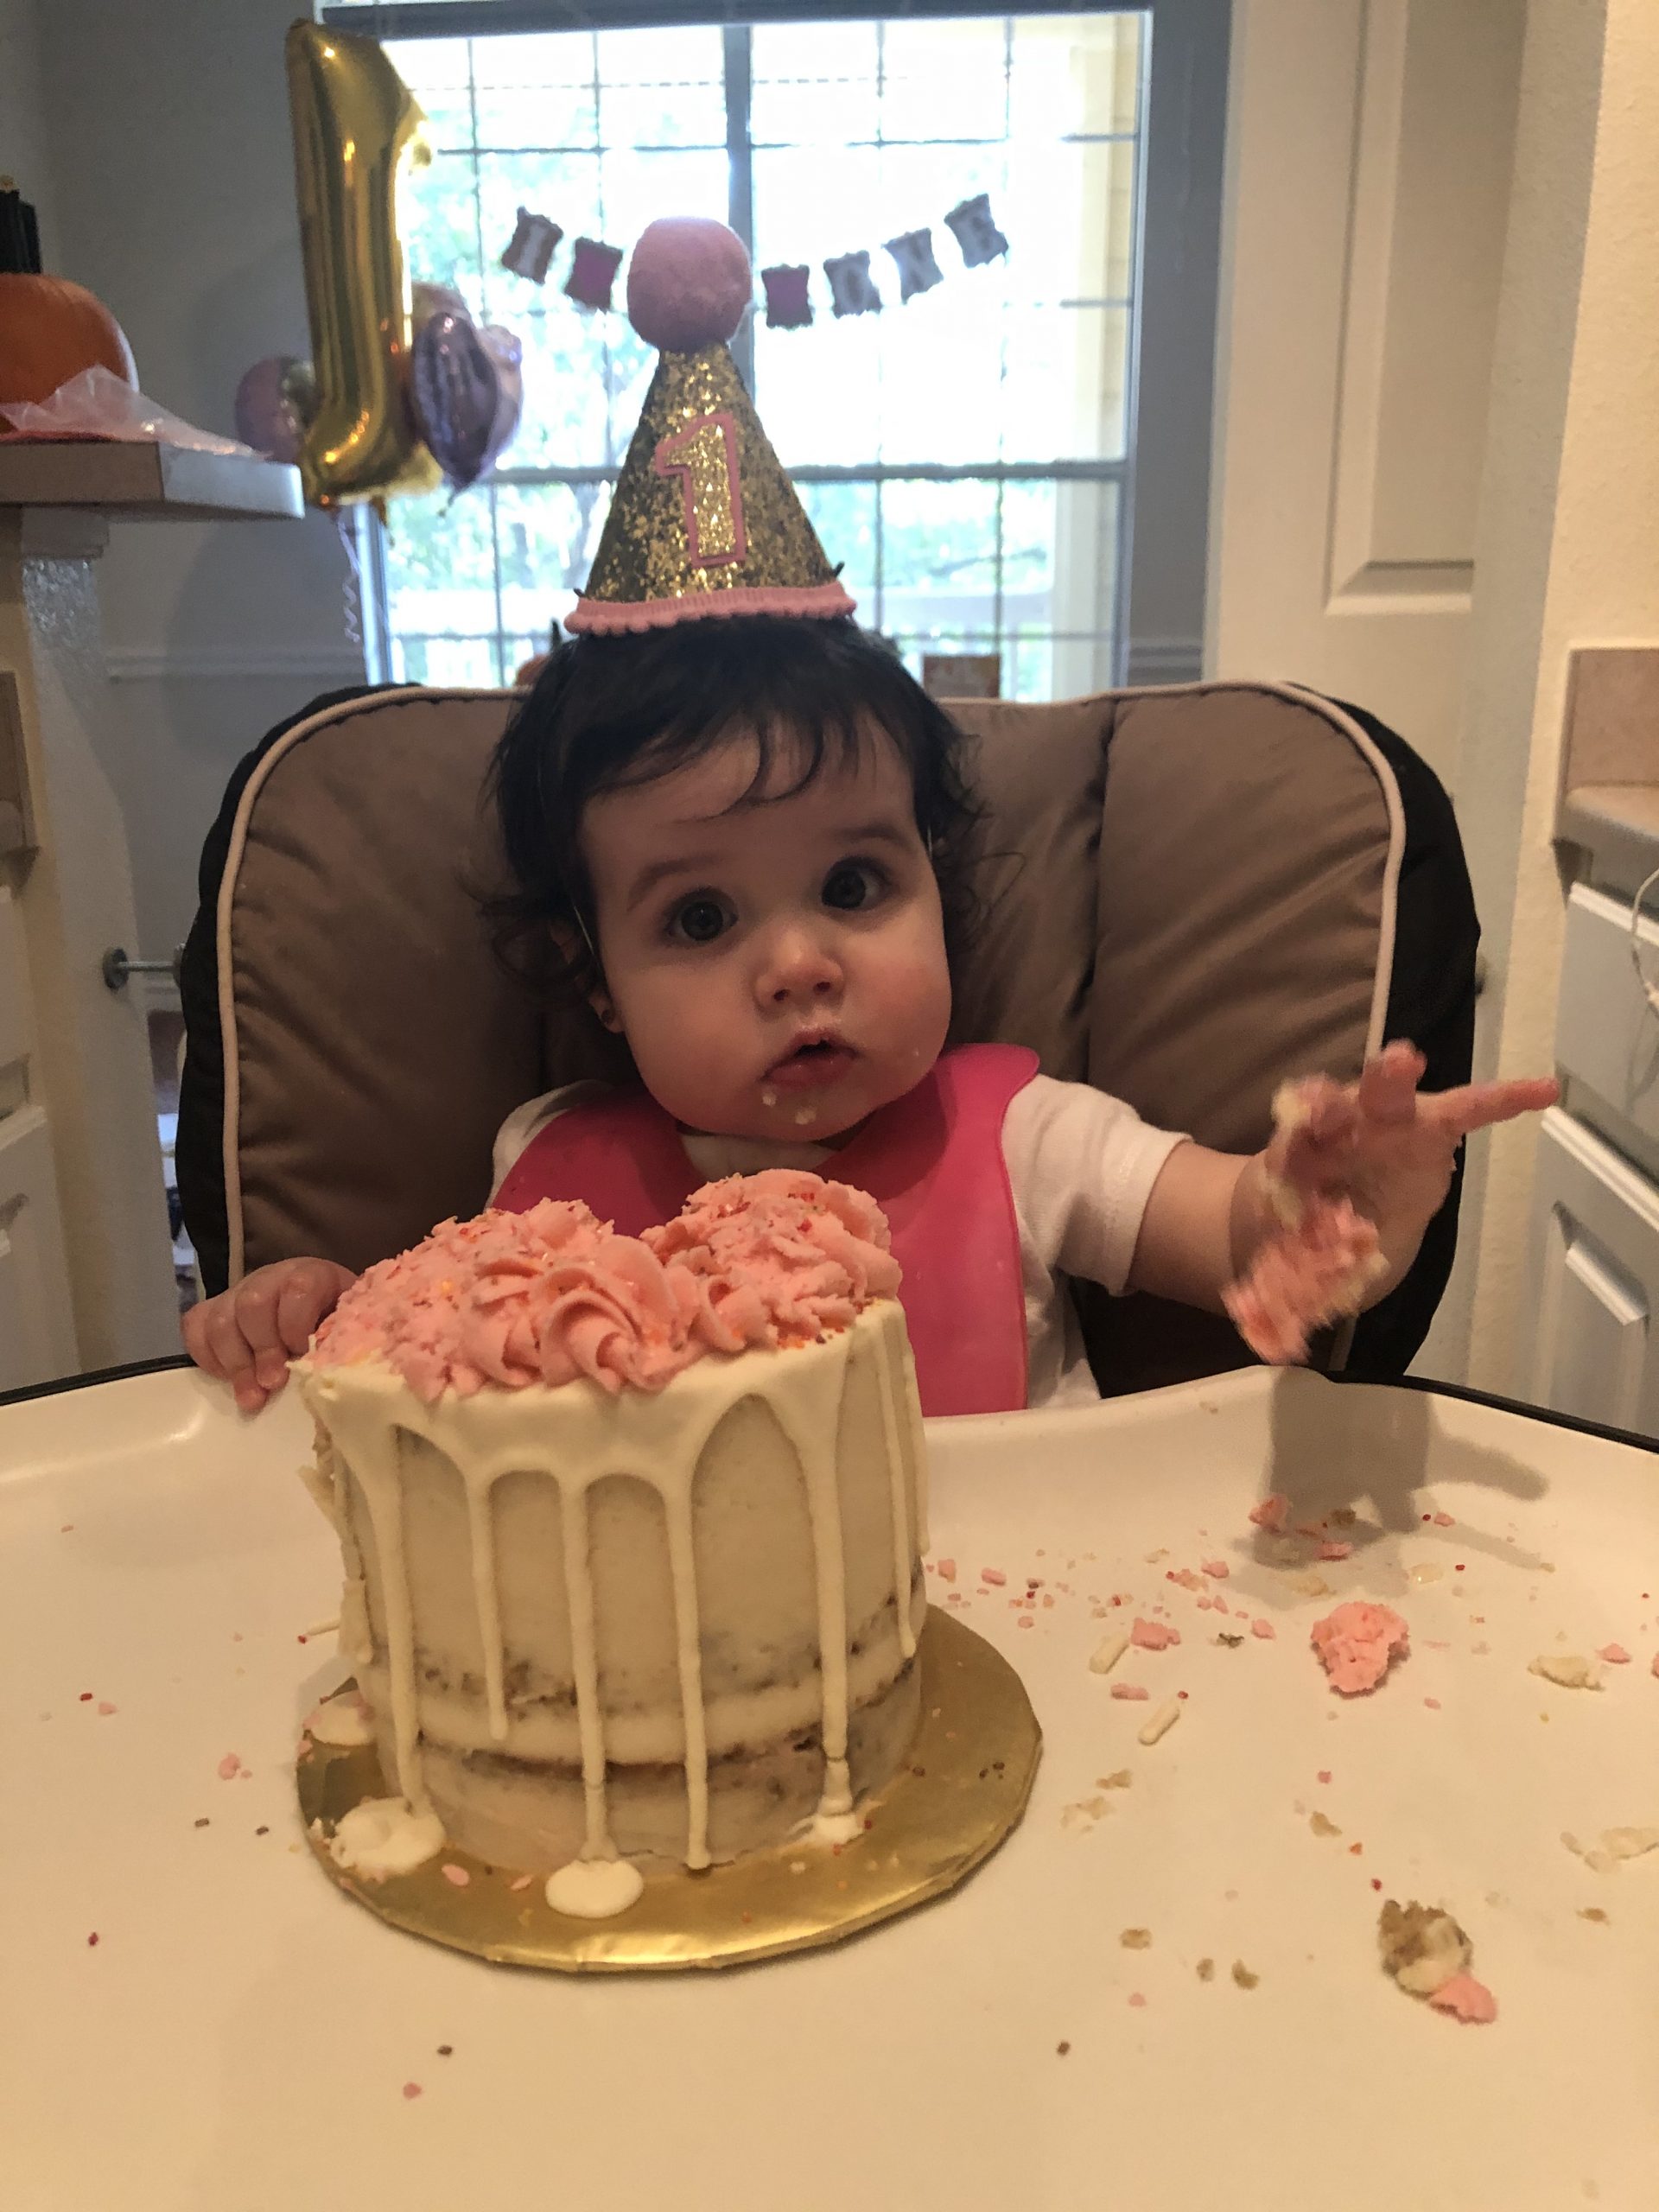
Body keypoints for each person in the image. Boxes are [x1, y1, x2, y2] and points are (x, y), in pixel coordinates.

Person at [179, 216, 1556, 1414]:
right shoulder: (548, 1172)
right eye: (702, 916)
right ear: (596, 981)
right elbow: (435, 1359)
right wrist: (314, 1307)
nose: (798, 964)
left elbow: (1244, 1234)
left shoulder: (1029, 1138)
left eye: (851, 885)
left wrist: (1337, 1200)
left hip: (1029, 1629)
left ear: (937, 887)